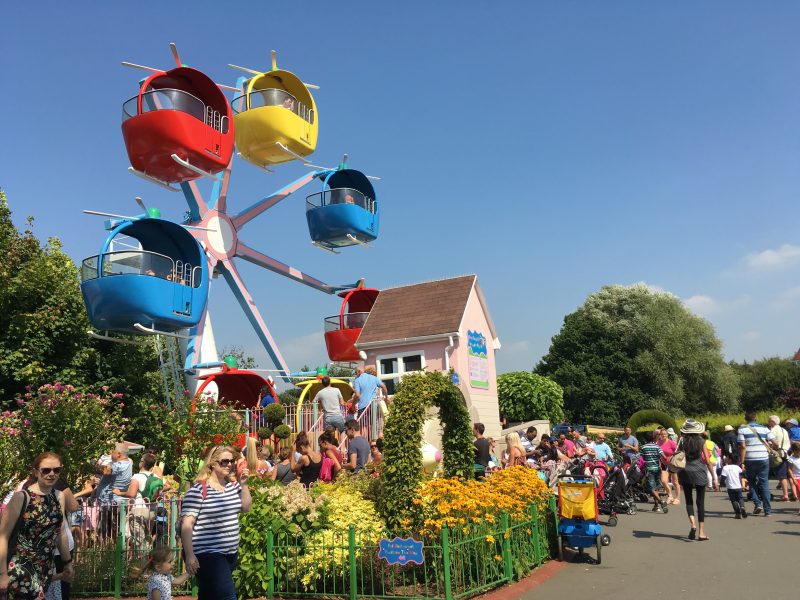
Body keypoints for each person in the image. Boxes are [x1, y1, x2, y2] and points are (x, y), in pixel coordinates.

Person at [0, 452, 75, 599]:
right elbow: (2, 536)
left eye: (56, 470)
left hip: (45, 569)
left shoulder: (59, 496)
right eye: (46, 470)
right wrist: (2, 574)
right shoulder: (21, 497)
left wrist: (68, 563)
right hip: (19, 570)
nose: (51, 474)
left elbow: (60, 533)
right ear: (36, 472)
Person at [181, 446, 251, 600]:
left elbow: (245, 508)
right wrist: (190, 555)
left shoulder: (233, 487)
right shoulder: (198, 490)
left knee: (209, 594)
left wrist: (244, 484)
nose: (229, 465)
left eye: (231, 461)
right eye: (224, 461)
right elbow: (186, 524)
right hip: (207, 553)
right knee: (227, 595)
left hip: (230, 553)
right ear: (212, 464)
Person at [677, 420, 714, 540]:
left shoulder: (682, 441)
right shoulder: (702, 441)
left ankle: (692, 525)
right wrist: (714, 477)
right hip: (699, 470)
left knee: (688, 500)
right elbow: (708, 460)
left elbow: (678, 455)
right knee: (700, 502)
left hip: (685, 471)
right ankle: (701, 532)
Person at [738, 411, 775, 516]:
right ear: (756, 418)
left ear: (746, 418)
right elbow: (775, 441)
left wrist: (742, 461)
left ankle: (757, 504)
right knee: (764, 483)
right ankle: (768, 510)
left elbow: (743, 446)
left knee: (752, 482)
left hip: (750, 459)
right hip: (763, 458)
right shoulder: (764, 428)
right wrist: (769, 448)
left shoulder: (742, 429)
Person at [640, 431, 667, 513]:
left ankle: (661, 501)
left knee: (651, 488)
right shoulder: (657, 447)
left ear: (645, 438)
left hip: (649, 469)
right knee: (656, 487)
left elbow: (641, 458)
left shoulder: (643, 447)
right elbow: (664, 457)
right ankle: (656, 505)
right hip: (657, 469)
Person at [767, 415, 791, 502]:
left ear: (772, 422)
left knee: (781, 475)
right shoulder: (784, 430)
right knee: (788, 474)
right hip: (786, 453)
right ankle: (793, 494)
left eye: (769, 421)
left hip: (778, 454)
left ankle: (785, 495)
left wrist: (771, 448)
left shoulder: (773, 430)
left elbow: (774, 443)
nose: (768, 423)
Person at [657, 428, 677, 504]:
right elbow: (657, 452)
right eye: (662, 434)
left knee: (675, 481)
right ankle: (670, 495)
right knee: (664, 481)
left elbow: (678, 452)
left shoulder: (671, 443)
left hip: (671, 463)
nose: (663, 435)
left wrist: (671, 457)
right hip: (663, 464)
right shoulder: (658, 443)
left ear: (667, 434)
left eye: (665, 434)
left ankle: (676, 497)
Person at [787, 441, 800, 515]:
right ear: (794, 451)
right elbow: (789, 469)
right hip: (797, 477)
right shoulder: (791, 459)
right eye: (798, 451)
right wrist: (793, 478)